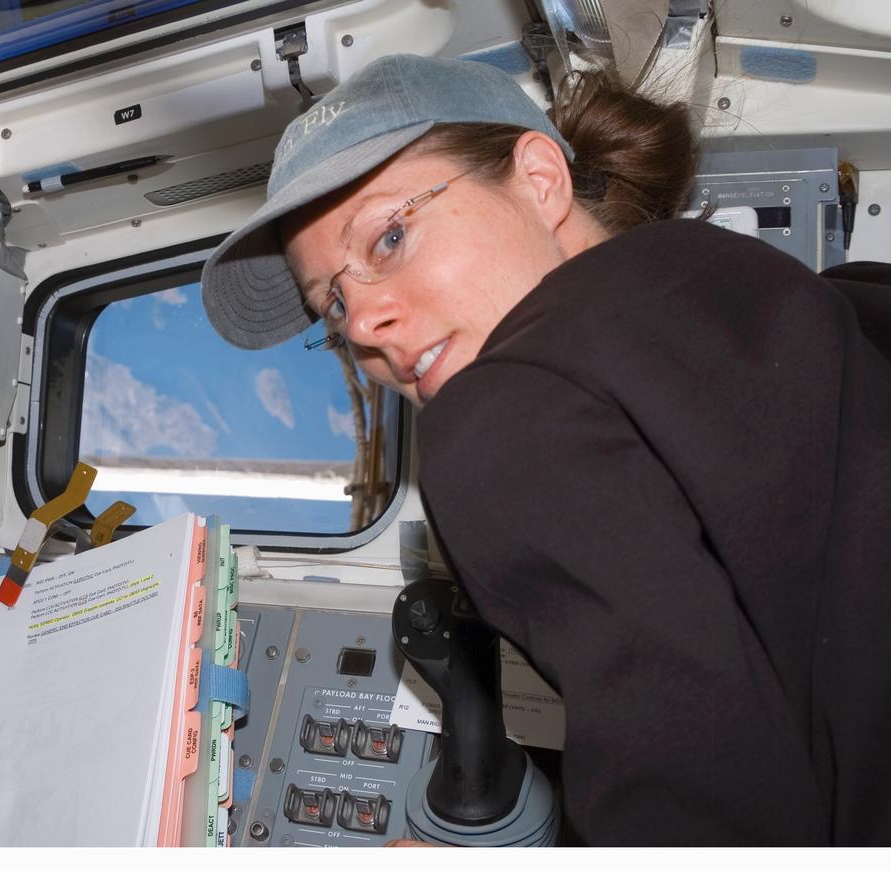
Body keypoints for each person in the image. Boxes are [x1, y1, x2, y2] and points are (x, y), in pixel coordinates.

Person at [200, 53, 891, 845]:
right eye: (334, 308)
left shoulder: (505, 410)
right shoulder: (832, 301)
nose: (360, 327)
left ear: (538, 179)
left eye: (390, 237)